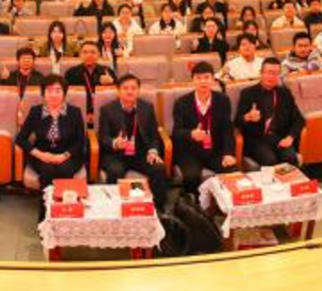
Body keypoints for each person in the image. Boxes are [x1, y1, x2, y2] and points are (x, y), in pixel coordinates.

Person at [97, 74, 169, 210]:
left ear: (138, 90)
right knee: (115, 171)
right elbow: (103, 137)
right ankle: (114, 207)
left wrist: (153, 151)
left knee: (158, 168)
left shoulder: (147, 108)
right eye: (125, 88)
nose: (129, 91)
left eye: (133, 88)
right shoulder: (107, 110)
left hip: (141, 153)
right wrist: (115, 143)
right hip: (116, 155)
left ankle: (158, 209)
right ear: (118, 91)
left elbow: (154, 134)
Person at [14, 75, 87, 194]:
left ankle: (64, 202)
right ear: (43, 93)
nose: (53, 95)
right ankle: (46, 203)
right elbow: (21, 138)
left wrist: (64, 156)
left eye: (58, 91)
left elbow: (80, 141)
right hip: (42, 154)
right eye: (49, 90)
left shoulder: (75, 112)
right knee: (48, 170)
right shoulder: (36, 111)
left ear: (64, 93)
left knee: (64, 169)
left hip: (69, 155)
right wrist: (40, 155)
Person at [173, 62, 238, 192]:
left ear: (213, 80)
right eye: (198, 78)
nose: (203, 81)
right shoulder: (181, 103)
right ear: (192, 81)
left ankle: (221, 201)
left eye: (207, 77)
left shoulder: (223, 100)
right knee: (191, 177)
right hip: (190, 153)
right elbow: (176, 133)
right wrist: (191, 134)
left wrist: (228, 153)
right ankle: (192, 201)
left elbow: (227, 130)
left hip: (215, 151)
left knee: (232, 171)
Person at [236, 58, 304, 167]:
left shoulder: (284, 93)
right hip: (256, 139)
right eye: (269, 73)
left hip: (279, 137)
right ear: (261, 73)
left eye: (276, 74)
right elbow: (237, 122)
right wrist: (247, 117)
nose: (272, 77)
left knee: (291, 158)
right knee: (270, 160)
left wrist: (290, 137)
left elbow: (299, 119)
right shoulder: (248, 93)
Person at [63, 41, 116, 121]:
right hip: (78, 114)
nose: (89, 55)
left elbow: (117, 96)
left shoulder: (107, 71)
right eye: (85, 52)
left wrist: (112, 83)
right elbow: (66, 98)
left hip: (103, 114)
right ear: (80, 55)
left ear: (99, 54)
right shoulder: (71, 73)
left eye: (93, 52)